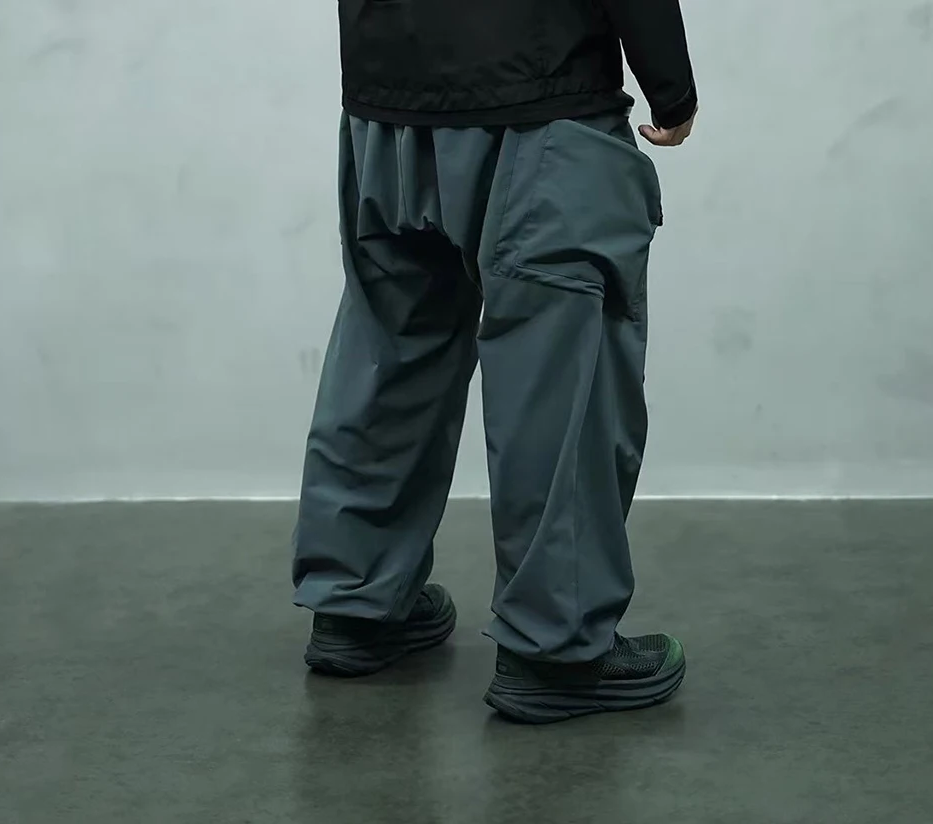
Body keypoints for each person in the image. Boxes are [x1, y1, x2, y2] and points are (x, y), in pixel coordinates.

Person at [291, 0, 699, 724]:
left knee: (391, 350)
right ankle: (555, 648)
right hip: (538, 96)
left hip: (388, 101)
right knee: (557, 378)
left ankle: (356, 605)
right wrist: (670, 84)